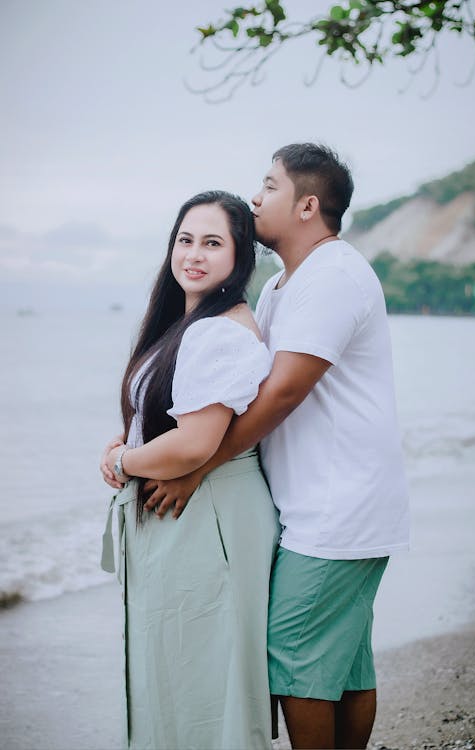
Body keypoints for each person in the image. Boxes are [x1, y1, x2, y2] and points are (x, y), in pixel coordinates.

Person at [144, 144, 410, 750]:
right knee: (343, 666)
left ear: (307, 205)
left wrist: (196, 465)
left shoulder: (333, 275)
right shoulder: (284, 286)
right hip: (319, 504)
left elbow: (285, 389)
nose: (256, 198)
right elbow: (243, 390)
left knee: (291, 654)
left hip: (338, 507)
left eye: (269, 186)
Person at [100, 190, 281, 750]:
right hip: (195, 514)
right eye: (185, 240)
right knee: (180, 672)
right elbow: (177, 420)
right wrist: (131, 438)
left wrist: (122, 461)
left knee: (206, 681)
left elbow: (196, 443)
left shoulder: (219, 330)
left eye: (212, 243)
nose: (193, 255)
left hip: (211, 518)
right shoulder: (190, 325)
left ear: (239, 255)